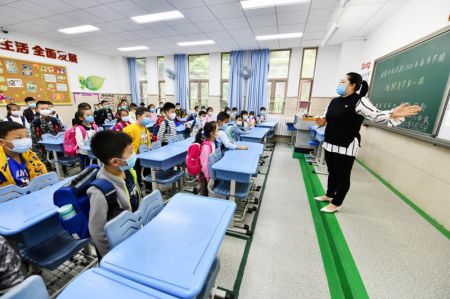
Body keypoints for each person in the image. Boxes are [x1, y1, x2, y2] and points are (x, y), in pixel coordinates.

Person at [314, 72, 421, 213]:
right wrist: (321, 121)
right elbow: (325, 117)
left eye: (342, 82)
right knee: (332, 171)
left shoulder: (360, 101)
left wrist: (392, 114)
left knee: (342, 176)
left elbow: (375, 115)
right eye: (340, 82)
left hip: (346, 145)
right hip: (330, 142)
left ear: (352, 85)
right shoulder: (334, 101)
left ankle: (337, 203)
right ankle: (329, 195)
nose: (339, 84)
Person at [87, 130, 141, 257]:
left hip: (133, 236)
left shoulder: (128, 171)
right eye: (130, 151)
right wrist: (112, 257)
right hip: (118, 251)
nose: (134, 154)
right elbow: (97, 232)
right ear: (115, 162)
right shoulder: (100, 192)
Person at [0, 122, 47, 187]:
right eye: (19, 138)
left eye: (27, 136)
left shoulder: (29, 154)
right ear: (2, 142)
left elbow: (42, 175)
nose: (25, 140)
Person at [123, 107, 152, 191]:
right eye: (147, 116)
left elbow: (147, 140)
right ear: (138, 117)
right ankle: (137, 190)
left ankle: (149, 188)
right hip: (134, 157)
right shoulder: (130, 129)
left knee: (148, 171)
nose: (149, 118)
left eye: (149, 116)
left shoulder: (145, 127)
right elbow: (123, 143)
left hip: (145, 155)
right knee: (136, 174)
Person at [198, 121, 218, 196]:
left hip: (210, 173)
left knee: (209, 194)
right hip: (205, 176)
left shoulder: (213, 143)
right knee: (205, 194)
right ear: (212, 134)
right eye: (217, 131)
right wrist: (208, 178)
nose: (218, 132)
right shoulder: (206, 147)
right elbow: (204, 165)